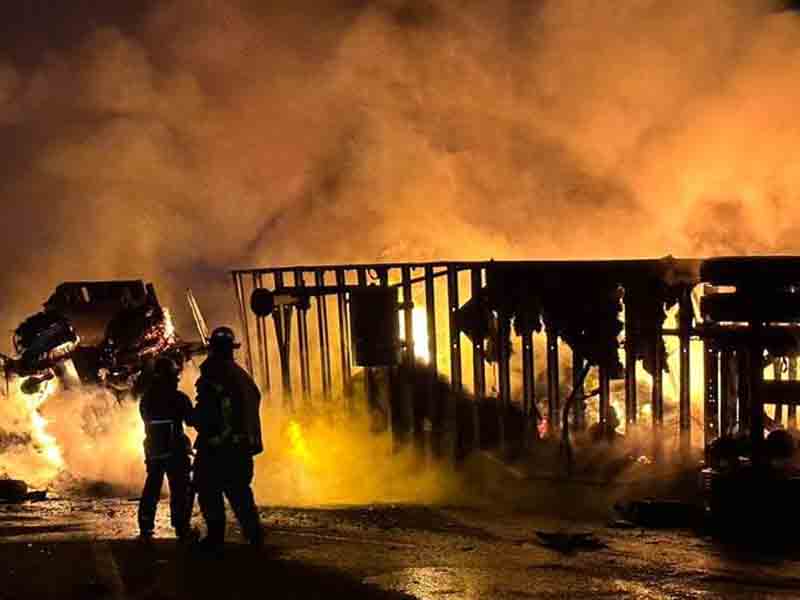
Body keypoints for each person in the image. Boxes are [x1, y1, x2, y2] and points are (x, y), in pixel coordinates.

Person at [192, 326, 263, 551]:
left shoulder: (213, 374)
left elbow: (208, 412)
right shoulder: (241, 376)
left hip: (217, 448)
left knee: (209, 491)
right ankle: (254, 536)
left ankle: (215, 538)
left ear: (213, 349)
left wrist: (194, 419)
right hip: (240, 449)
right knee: (240, 494)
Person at [137, 356, 195, 541]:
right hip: (175, 449)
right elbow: (192, 420)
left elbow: (146, 419)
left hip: (154, 449)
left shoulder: (147, 399)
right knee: (179, 488)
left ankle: (146, 525)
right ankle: (181, 526)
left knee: (152, 486)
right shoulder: (179, 398)